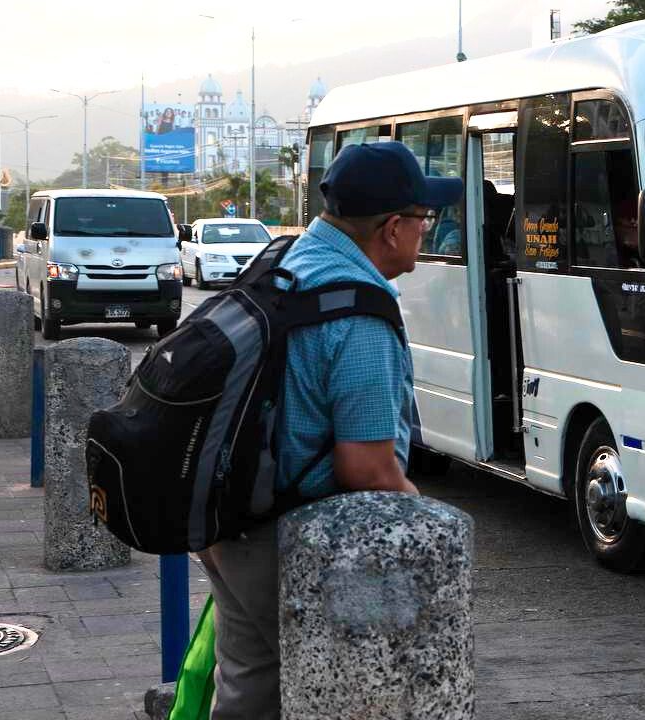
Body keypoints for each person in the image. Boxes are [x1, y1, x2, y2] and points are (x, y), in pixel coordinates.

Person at [196, 141, 463, 719]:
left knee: (249, 695)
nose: (427, 230)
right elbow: (366, 468)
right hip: (297, 542)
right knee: (364, 692)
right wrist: (428, 523)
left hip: (229, 520)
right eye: (424, 219)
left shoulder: (285, 260)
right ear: (392, 228)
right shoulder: (359, 314)